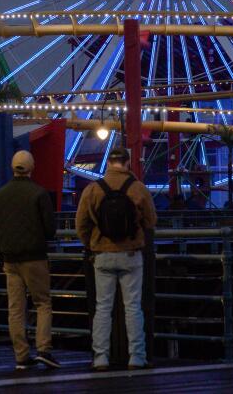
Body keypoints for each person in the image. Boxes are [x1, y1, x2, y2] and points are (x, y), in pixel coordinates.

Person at [75, 147, 157, 371]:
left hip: (102, 254)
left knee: (102, 308)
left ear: (109, 163)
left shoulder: (93, 189)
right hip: (131, 254)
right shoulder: (138, 189)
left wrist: (91, 244)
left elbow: (81, 224)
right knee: (133, 308)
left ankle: (101, 357)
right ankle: (137, 357)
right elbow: (151, 220)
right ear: (128, 163)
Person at [0, 150, 60, 370]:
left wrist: (1, 253)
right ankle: (43, 349)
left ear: (12, 167)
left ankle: (21, 355)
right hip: (34, 257)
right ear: (32, 167)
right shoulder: (39, 194)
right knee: (42, 303)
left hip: (9, 258)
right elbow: (50, 230)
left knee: (16, 308)